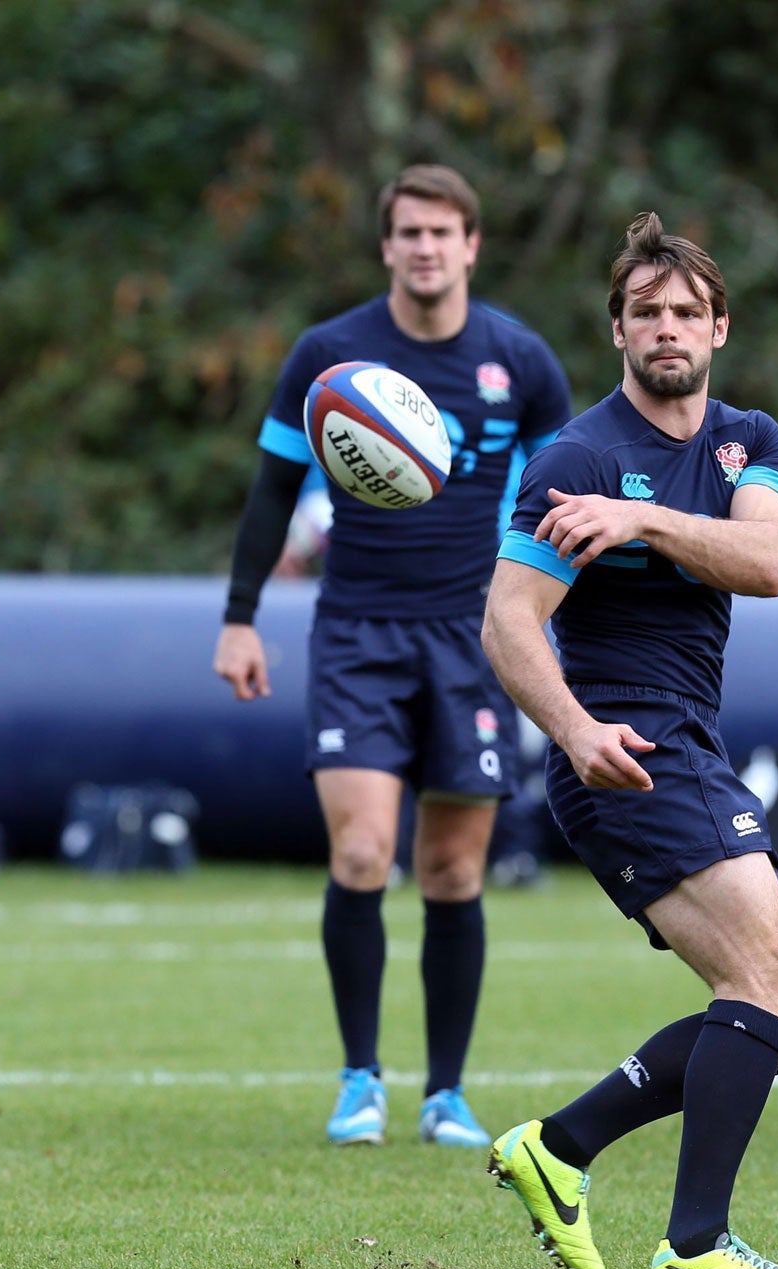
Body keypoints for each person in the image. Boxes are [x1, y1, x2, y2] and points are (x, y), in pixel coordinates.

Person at [480, 211, 778, 1269]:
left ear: (719, 326)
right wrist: (575, 731)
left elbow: (770, 561)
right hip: (622, 743)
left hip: (690, 738)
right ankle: (694, 1247)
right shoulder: (576, 456)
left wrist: (641, 525)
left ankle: (560, 1147)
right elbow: (505, 618)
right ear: (617, 332)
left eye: (686, 311)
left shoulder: (745, 441)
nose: (667, 328)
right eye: (646, 313)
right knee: (767, 981)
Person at [213, 164, 571, 1148]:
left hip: (475, 637)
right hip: (358, 633)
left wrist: (549, 620)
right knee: (364, 850)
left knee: (453, 870)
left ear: (470, 246)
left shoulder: (521, 361)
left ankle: (445, 1093)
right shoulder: (330, 356)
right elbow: (271, 491)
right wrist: (239, 617)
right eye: (407, 232)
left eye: (441, 232)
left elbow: (560, 501)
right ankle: (359, 1078)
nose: (424, 248)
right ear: (386, 246)